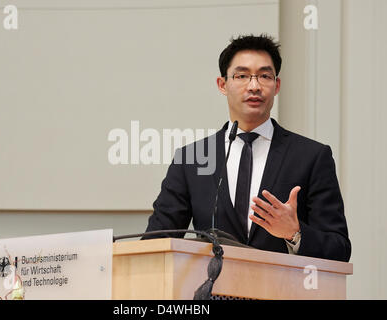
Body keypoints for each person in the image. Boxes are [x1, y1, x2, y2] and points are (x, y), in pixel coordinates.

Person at [142, 34, 351, 262]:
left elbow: (339, 249)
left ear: (276, 85)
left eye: (264, 76)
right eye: (242, 76)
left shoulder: (311, 157)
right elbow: (157, 242)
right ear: (223, 84)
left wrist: (294, 234)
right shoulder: (192, 159)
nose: (254, 86)